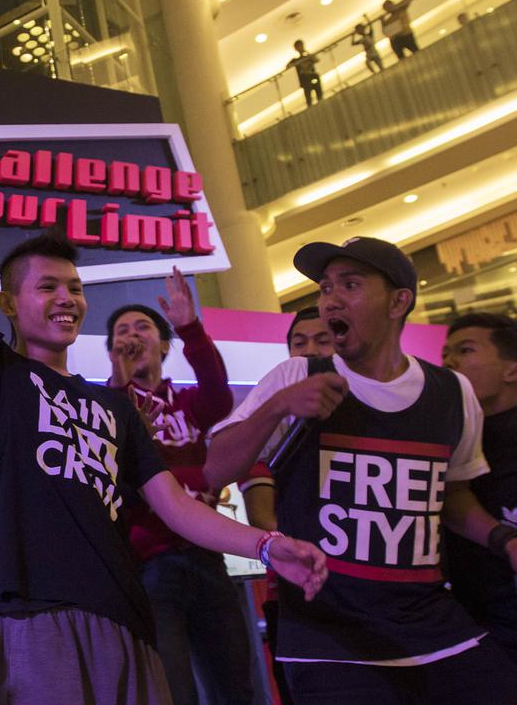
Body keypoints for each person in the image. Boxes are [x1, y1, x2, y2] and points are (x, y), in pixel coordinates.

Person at [0, 226, 326, 701]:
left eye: (75, 288)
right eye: (47, 286)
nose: (67, 298)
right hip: (36, 613)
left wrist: (266, 545)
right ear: (11, 303)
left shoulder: (118, 410)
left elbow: (177, 507)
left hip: (125, 613)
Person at [204, 237, 517, 703]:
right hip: (329, 639)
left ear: (398, 301)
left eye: (349, 284)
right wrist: (277, 408)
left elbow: (450, 497)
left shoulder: (452, 393)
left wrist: (503, 539)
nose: (330, 299)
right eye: (326, 288)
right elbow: (215, 470)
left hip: (432, 627)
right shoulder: (296, 377)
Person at [106, 273, 250, 705]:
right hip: (148, 566)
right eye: (122, 332)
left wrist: (190, 328)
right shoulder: (108, 403)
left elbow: (219, 399)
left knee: (236, 687)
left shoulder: (187, 404)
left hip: (206, 558)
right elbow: (112, 452)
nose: (133, 335)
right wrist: (120, 376)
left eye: (143, 328)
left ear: (163, 346)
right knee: (172, 691)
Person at [237, 306, 334, 705]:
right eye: (299, 342)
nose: (309, 351)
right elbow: (263, 518)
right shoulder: (265, 430)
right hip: (297, 595)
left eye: (322, 341)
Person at [443, 312, 517, 665]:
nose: (449, 362)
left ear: (511, 369)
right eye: (446, 353)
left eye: (465, 351)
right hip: (477, 628)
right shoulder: (446, 438)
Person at [288, 40, 323, 107]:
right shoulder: (295, 60)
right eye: (298, 46)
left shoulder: (309, 56)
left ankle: (321, 103)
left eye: (301, 46)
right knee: (308, 97)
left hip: (313, 76)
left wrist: (306, 53)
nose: (300, 48)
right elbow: (288, 66)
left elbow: (316, 60)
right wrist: (297, 63)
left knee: (319, 94)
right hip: (305, 79)